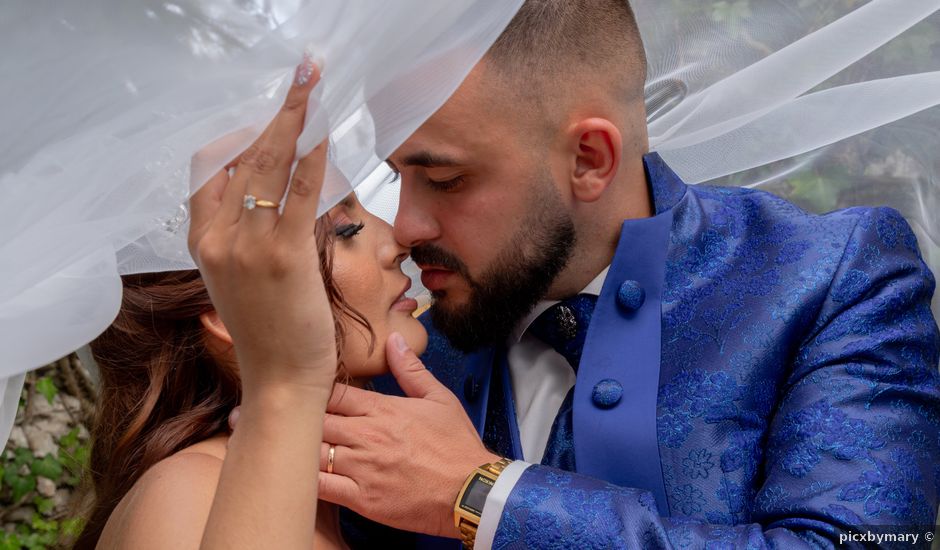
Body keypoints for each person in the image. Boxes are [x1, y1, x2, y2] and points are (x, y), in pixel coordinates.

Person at [320, 1, 940, 548]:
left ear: (590, 159)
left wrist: (483, 497)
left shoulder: (830, 278)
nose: (403, 229)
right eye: (399, 175)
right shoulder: (396, 351)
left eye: (448, 179)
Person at [73, 60, 428, 549]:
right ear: (224, 311)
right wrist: (289, 382)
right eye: (346, 231)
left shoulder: (349, 502)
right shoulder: (188, 496)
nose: (397, 241)